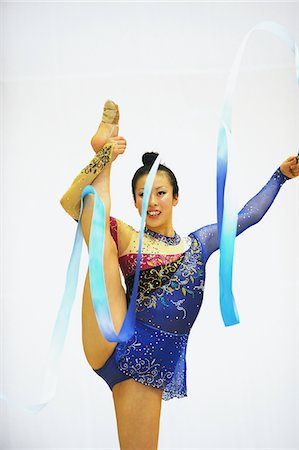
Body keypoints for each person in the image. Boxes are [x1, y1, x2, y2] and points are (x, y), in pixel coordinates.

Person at [60, 100, 299, 450]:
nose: (152, 202)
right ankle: (103, 154)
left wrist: (279, 176)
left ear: (176, 198)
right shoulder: (129, 236)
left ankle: (104, 158)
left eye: (160, 193)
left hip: (150, 366)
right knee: (101, 238)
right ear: (135, 202)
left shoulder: (199, 243)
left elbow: (247, 217)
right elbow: (71, 203)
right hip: (114, 334)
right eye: (143, 195)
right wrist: (103, 159)